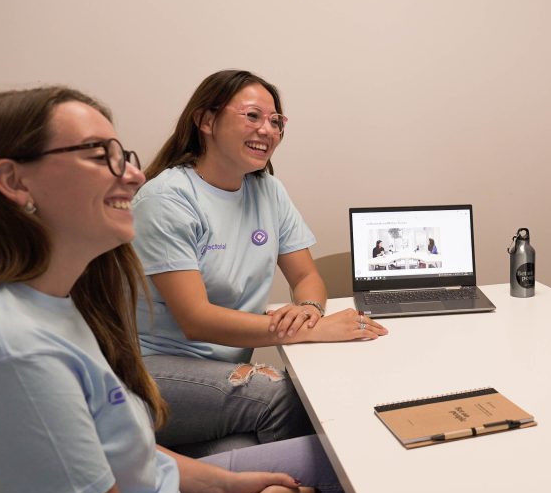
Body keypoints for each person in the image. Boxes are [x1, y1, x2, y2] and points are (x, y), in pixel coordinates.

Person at [0, 86, 370, 493]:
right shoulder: (15, 351)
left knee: (358, 459)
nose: (136, 177)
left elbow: (121, 449)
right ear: (15, 182)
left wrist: (224, 486)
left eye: (125, 155)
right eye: (101, 157)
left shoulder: (54, 303)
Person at [132, 70, 387, 457]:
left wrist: (308, 310)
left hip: (218, 375)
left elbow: (306, 276)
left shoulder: (267, 189)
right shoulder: (166, 200)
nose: (267, 130)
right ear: (206, 121)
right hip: (152, 369)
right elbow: (196, 318)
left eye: (276, 121)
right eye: (252, 116)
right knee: (282, 396)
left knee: (243, 450)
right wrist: (309, 333)